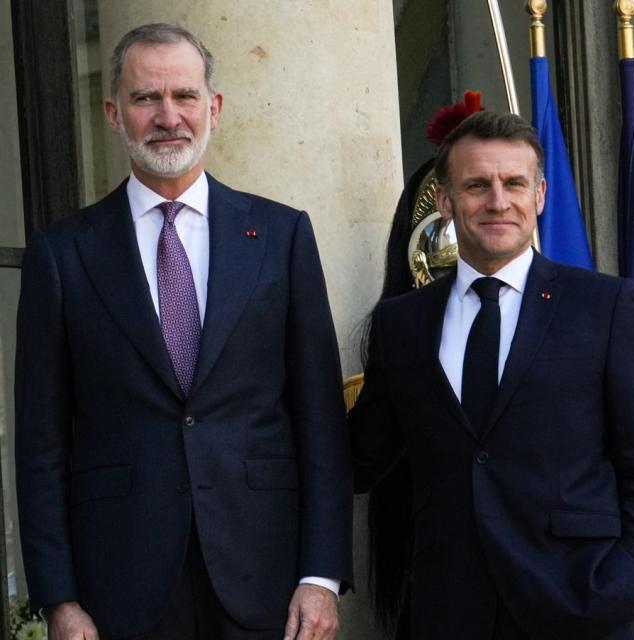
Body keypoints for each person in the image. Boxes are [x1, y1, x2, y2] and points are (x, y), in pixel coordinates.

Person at [15, 23, 352, 640]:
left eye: (185, 96)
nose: (168, 116)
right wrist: (59, 600)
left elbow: (321, 422)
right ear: (113, 114)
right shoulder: (63, 255)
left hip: (266, 579)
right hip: (118, 584)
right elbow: (40, 446)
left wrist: (322, 576)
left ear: (214, 108)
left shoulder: (281, 237)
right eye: (146, 99)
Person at [349, 110, 634, 640]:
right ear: (448, 202)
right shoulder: (402, 322)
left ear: (539, 195)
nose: (498, 201)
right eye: (477, 185)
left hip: (583, 608)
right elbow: (362, 458)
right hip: (448, 612)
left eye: (514, 183)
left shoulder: (605, 306)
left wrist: (627, 580)